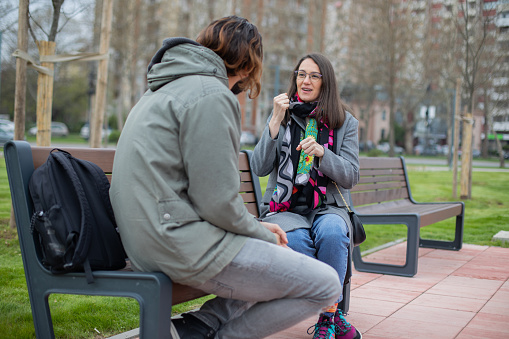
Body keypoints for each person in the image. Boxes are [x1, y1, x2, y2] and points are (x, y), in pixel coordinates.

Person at [110, 16, 342, 339]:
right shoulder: (212, 95)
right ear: (248, 66)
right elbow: (218, 202)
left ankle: (200, 327)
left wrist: (257, 228)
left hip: (147, 237)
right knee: (325, 284)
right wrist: (260, 232)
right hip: (174, 243)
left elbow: (202, 195)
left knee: (271, 261)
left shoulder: (162, 89)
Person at [251, 53, 362, 339]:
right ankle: (334, 311)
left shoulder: (344, 122)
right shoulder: (282, 115)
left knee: (334, 233)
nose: (306, 81)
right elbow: (260, 166)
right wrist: (274, 121)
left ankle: (327, 319)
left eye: (314, 75)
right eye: (301, 74)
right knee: (297, 241)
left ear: (326, 82)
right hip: (285, 208)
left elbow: (350, 176)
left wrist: (324, 154)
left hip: (328, 207)